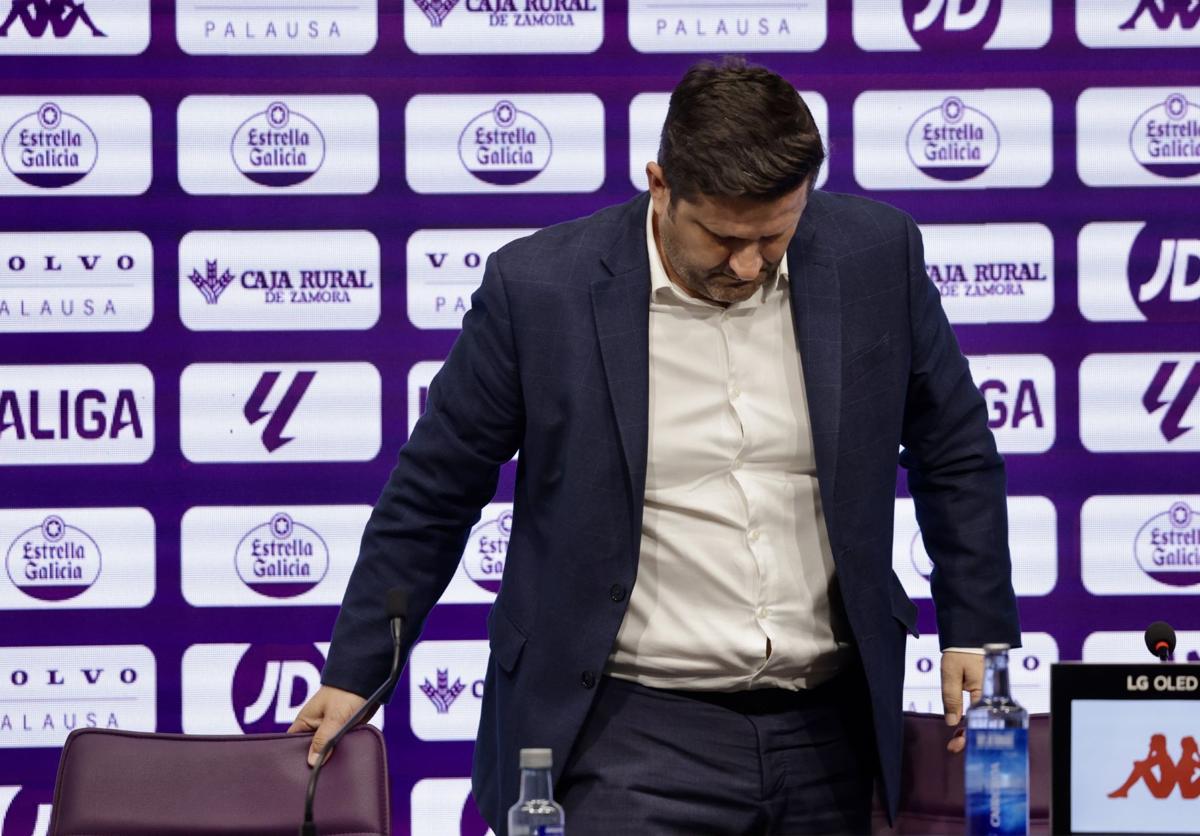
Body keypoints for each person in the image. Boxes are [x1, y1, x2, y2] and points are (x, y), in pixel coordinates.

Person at [290, 57, 1021, 834]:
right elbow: (435, 491)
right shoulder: (541, 291)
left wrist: (975, 626)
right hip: (628, 737)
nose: (748, 265)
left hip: (832, 727)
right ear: (661, 185)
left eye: (775, 236)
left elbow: (954, 452)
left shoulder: (877, 255)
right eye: (722, 238)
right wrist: (357, 669)